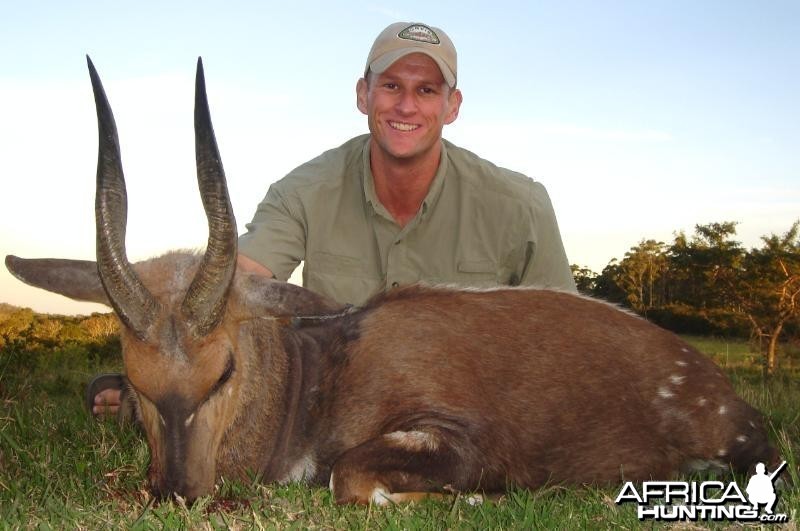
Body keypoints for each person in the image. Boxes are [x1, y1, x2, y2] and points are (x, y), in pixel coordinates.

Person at [90, 21, 576, 417]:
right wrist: (166, 379)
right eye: (390, 86)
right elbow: (238, 282)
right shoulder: (304, 190)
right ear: (364, 95)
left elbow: (564, 337)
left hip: (472, 409)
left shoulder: (520, 204)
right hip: (341, 404)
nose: (406, 105)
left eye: (426, 90)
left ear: (452, 107)